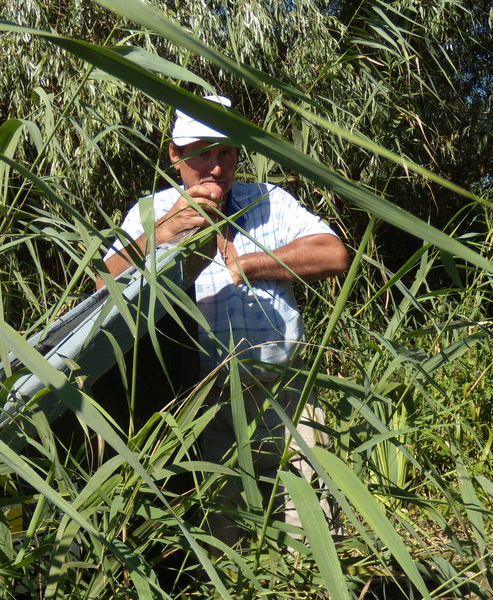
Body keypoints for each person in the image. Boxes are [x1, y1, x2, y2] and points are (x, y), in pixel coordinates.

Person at [97, 94, 349, 552]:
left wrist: (250, 264)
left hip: (284, 395)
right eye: (202, 153)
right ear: (175, 154)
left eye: (227, 153)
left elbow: (333, 255)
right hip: (201, 402)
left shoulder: (269, 200)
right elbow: (102, 286)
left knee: (315, 531)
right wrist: (163, 233)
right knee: (219, 543)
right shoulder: (151, 212)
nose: (216, 167)